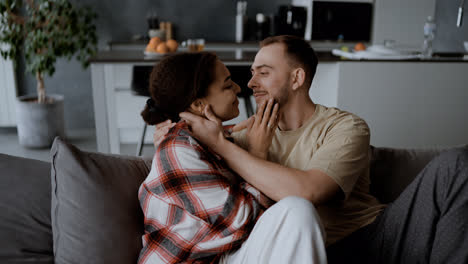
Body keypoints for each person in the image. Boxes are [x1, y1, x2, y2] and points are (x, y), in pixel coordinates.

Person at [158, 35, 468, 263]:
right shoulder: (237, 137)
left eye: (263, 72)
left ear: (297, 78)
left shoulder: (345, 127)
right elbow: (184, 154)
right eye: (252, 72)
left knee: (455, 164)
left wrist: (225, 148)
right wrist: (173, 130)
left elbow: (310, 192)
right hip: (305, 253)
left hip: (374, 239)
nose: (250, 83)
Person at [138, 51, 327, 264]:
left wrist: (234, 136)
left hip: (222, 254)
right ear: (199, 105)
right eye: (228, 85)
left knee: (298, 212)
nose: (239, 88)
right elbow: (242, 221)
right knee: (297, 210)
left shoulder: (215, 137)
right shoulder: (178, 148)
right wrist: (257, 154)